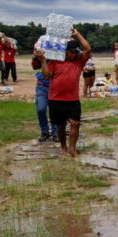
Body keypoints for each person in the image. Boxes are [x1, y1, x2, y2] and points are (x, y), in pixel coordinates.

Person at [35, 28, 92, 157]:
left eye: (76, 51)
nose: (75, 54)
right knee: (60, 126)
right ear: (65, 52)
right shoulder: (56, 61)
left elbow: (87, 48)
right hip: (56, 99)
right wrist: (43, 60)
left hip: (72, 99)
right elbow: (47, 75)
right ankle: (63, 147)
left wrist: (77, 34)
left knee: (75, 123)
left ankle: (72, 149)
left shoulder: (79, 61)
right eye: (72, 52)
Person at [31, 52, 58, 142]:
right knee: (41, 109)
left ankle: (56, 133)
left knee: (54, 110)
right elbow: (34, 66)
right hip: (42, 86)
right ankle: (44, 131)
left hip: (55, 86)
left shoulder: (59, 55)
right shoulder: (41, 54)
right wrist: (36, 57)